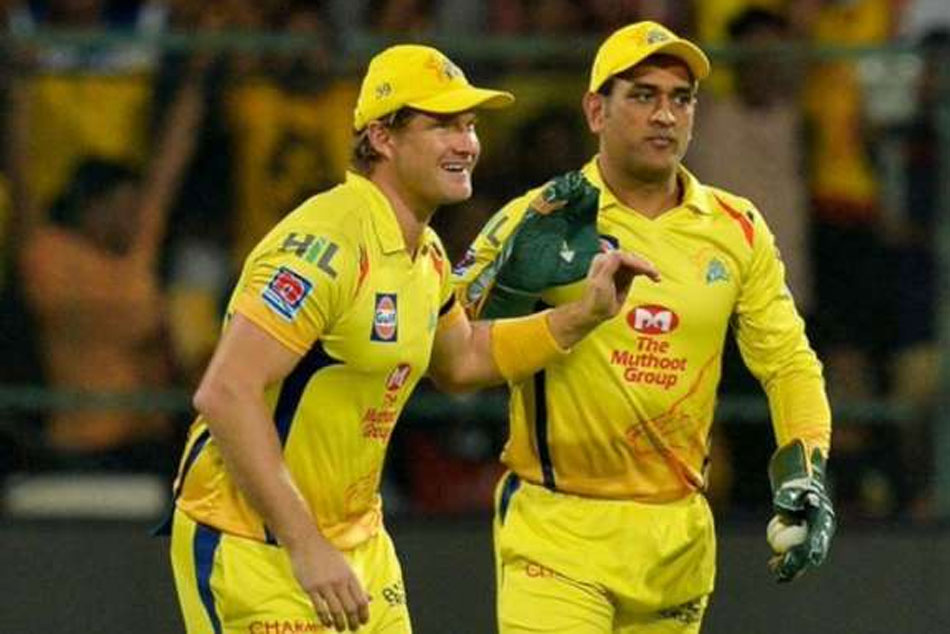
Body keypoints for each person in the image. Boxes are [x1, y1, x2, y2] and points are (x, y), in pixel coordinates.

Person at [166, 44, 658, 634]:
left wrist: (583, 316)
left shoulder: (424, 253)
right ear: (381, 137)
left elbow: (461, 359)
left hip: (359, 543)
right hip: (255, 546)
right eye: (443, 125)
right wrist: (306, 546)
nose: (467, 143)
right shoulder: (326, 243)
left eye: (469, 125)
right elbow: (225, 393)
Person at [454, 21, 835, 633]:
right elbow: (448, 355)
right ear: (595, 111)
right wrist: (512, 293)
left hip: (676, 541)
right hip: (558, 530)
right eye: (643, 95)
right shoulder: (545, 216)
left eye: (681, 99)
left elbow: (789, 363)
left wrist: (806, 469)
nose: (665, 115)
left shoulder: (737, 228)